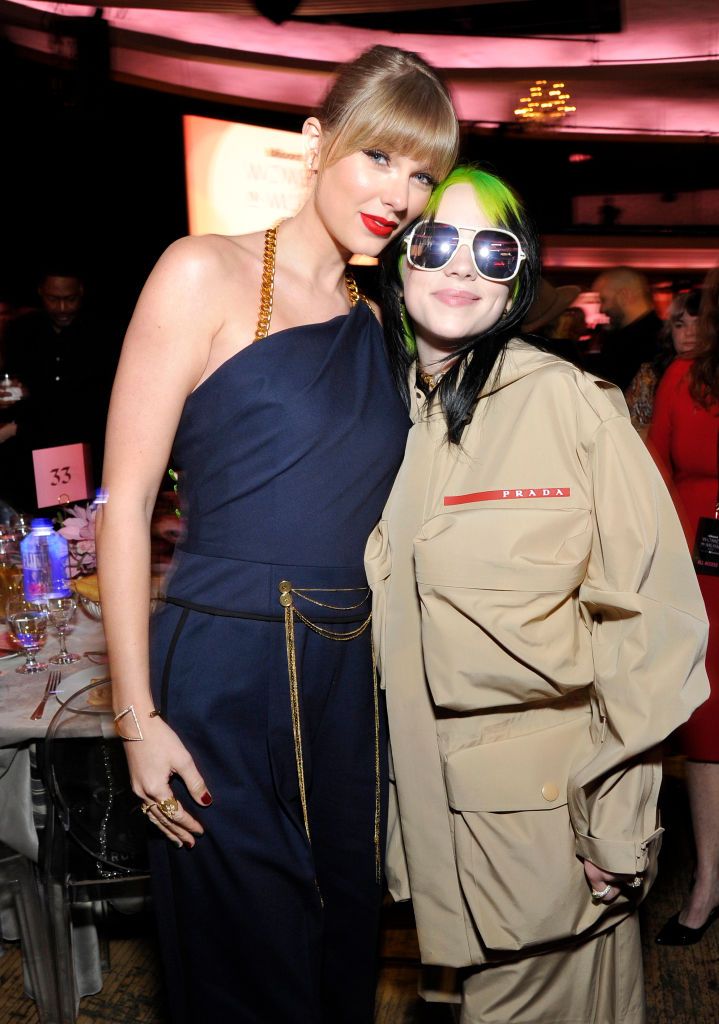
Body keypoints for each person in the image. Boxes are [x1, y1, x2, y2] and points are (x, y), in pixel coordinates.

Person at [96, 45, 458, 1024]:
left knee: (336, 944)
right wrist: (135, 718)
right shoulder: (201, 270)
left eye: (422, 173)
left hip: (347, 675)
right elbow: (123, 505)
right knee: (243, 960)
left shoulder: (381, 320)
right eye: (379, 157)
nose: (399, 191)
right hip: (222, 663)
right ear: (314, 141)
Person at [365, 167, 709, 1023]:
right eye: (436, 242)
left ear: (518, 278)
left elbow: (649, 627)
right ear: (400, 262)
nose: (460, 268)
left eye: (492, 250)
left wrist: (618, 824)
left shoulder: (569, 409)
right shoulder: (377, 411)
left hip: (544, 827)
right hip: (424, 815)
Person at [649, 267, 719, 946]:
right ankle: (707, 880)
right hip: (698, 564)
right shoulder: (683, 378)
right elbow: (656, 470)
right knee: (706, 724)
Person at [3, 267, 121, 506]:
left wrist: (20, 422)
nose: (62, 308)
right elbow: (14, 383)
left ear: (81, 291)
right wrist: (10, 396)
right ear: (40, 292)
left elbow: (96, 401)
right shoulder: (21, 331)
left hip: (85, 454)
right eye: (53, 299)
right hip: (30, 459)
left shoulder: (104, 333)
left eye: (70, 299)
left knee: (80, 526)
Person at [625, 287, 701, 438]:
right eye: (680, 325)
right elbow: (630, 430)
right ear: (670, 331)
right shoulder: (649, 376)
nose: (690, 332)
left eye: (698, 324)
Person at [593, 266, 663, 391]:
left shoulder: (657, 341)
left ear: (624, 295)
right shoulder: (664, 335)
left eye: (603, 300)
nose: (601, 309)